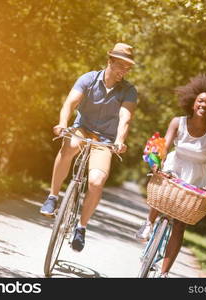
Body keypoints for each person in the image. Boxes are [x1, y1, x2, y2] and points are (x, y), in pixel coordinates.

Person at [40, 43, 137, 252]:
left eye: (128, 68)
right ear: (110, 61)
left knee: (96, 181)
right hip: (81, 128)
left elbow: (125, 119)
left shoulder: (129, 91)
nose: (124, 71)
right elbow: (70, 103)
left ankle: (81, 227)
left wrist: (120, 140)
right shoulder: (89, 78)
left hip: (105, 139)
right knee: (70, 145)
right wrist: (62, 124)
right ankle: (53, 197)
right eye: (121, 65)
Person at [135, 74, 206, 277]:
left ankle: (164, 273)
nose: (204, 105)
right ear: (193, 102)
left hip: (197, 176)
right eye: (200, 101)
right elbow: (165, 145)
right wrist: (157, 164)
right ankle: (149, 223)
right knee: (160, 194)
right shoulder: (178, 122)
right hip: (173, 164)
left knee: (180, 225)